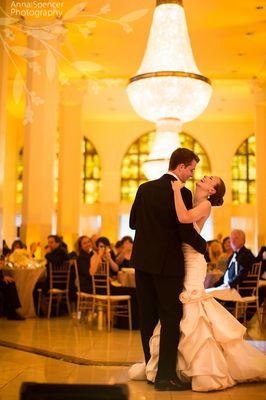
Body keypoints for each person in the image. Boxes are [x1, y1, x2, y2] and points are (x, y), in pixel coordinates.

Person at [129, 176, 266, 391]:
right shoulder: (193, 199)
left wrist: (175, 190)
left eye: (211, 179)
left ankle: (201, 366)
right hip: (180, 258)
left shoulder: (205, 204)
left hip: (192, 260)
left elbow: (183, 219)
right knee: (178, 310)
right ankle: (175, 366)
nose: (204, 176)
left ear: (212, 190)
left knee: (192, 306)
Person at [129, 148, 206, 391]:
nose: (193, 174)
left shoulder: (144, 188)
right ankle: (164, 377)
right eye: (191, 169)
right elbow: (184, 230)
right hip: (167, 266)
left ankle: (151, 369)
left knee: (148, 317)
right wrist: (204, 246)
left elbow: (132, 222)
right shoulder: (181, 192)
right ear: (180, 166)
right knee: (170, 319)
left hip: (141, 263)